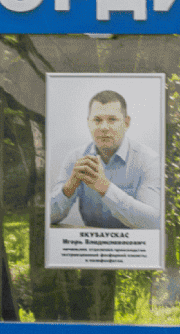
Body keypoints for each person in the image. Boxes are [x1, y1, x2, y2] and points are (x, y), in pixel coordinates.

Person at [50, 89, 162, 229]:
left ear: (126, 123)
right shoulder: (75, 158)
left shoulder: (148, 160)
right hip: (89, 246)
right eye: (97, 120)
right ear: (88, 123)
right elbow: (48, 217)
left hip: (135, 248)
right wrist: (68, 187)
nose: (104, 127)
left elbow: (154, 222)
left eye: (112, 119)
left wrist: (105, 188)